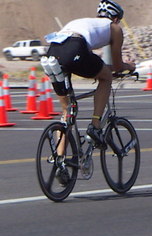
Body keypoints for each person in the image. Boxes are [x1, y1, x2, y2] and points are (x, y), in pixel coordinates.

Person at [45, 0, 135, 145]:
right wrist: (130, 66)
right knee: (106, 78)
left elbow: (88, 60)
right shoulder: (115, 28)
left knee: (66, 112)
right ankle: (95, 125)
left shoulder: (85, 23)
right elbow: (118, 66)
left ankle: (60, 161)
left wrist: (102, 69)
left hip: (53, 51)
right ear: (117, 19)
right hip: (75, 47)